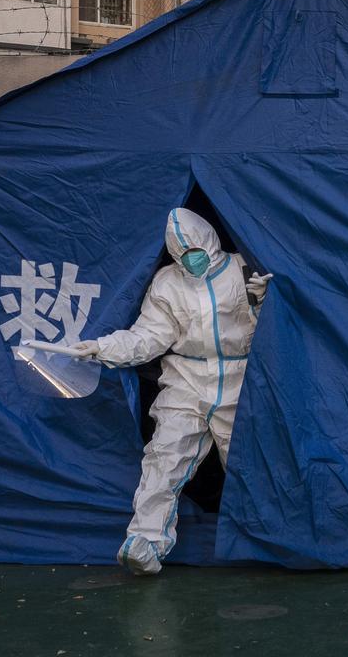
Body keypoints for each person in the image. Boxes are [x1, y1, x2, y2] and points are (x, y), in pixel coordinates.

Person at [72, 208, 271, 575]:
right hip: (185, 377)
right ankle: (145, 542)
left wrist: (262, 302)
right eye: (183, 254)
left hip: (240, 375)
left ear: (210, 242)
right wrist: (103, 347)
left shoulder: (243, 269)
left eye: (195, 250)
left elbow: (274, 331)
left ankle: (270, 537)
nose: (191, 258)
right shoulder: (167, 283)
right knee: (164, 456)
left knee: (249, 460)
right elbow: (149, 336)